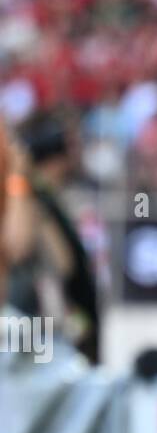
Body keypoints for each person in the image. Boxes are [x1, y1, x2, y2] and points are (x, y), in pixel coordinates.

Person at [2, 112, 100, 363]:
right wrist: (19, 181)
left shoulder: (37, 195)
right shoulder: (22, 192)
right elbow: (22, 245)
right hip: (23, 329)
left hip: (38, 328)